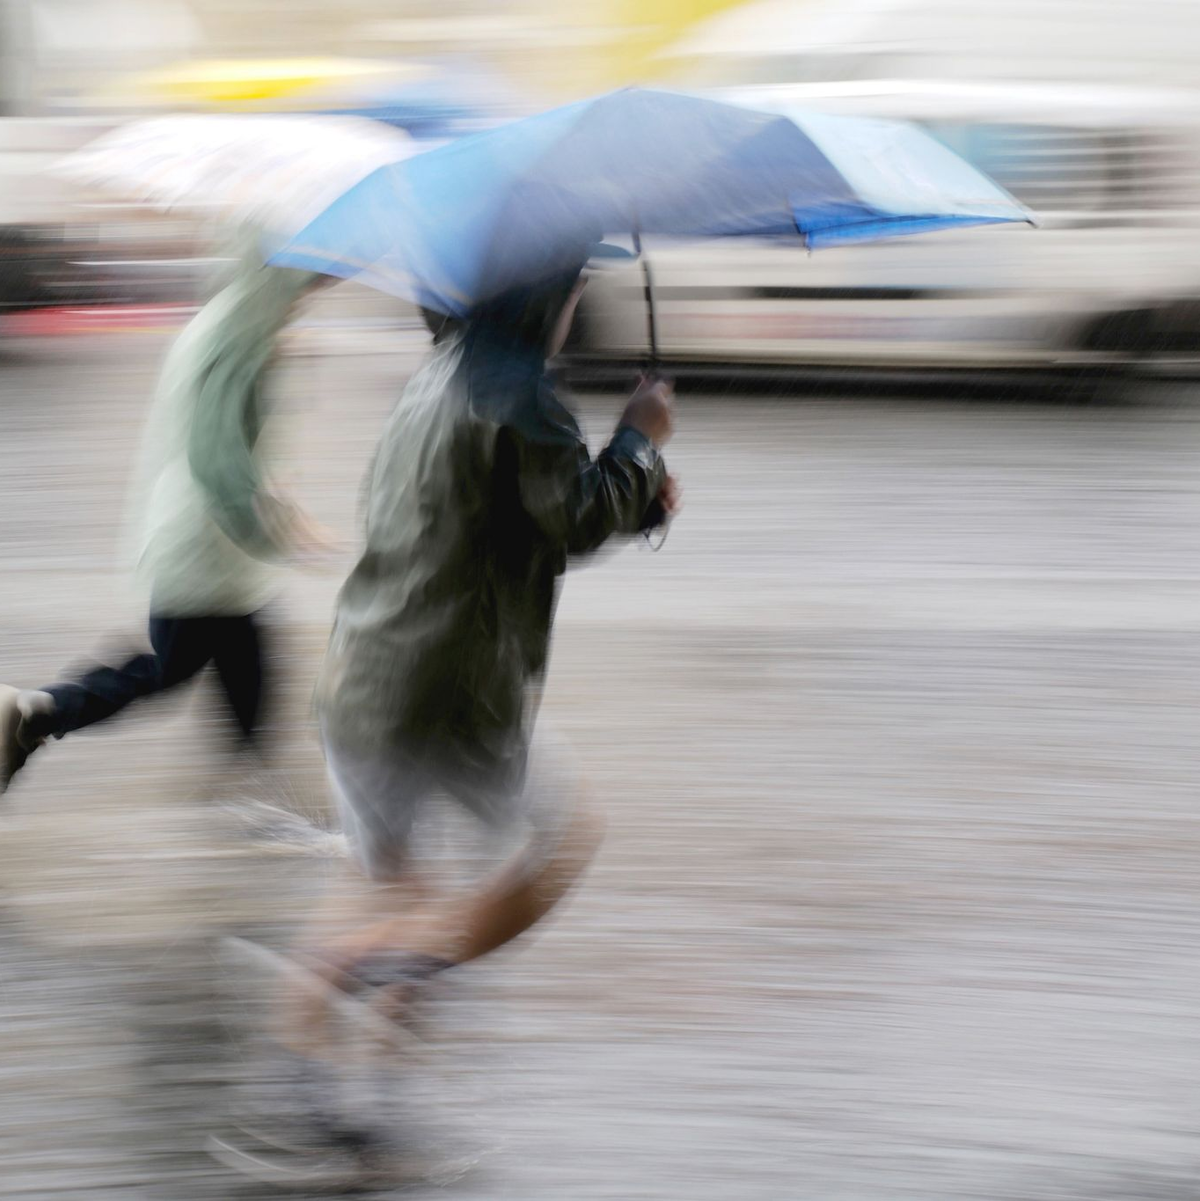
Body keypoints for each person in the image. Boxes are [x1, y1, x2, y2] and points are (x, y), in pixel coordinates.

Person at [217, 252, 678, 1185]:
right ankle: (392, 968)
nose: (577, 299)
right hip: (449, 692)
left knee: (387, 890)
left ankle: (328, 1108)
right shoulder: (517, 392)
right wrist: (640, 439)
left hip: (365, 684)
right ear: (537, 287)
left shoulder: (438, 373)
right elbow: (571, 519)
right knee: (560, 841)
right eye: (574, 282)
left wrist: (636, 488)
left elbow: (514, 514)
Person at [0, 239, 330, 793]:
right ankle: (35, 713)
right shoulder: (241, 335)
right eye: (312, 278)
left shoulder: (236, 319)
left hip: (215, 551)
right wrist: (280, 529)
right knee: (168, 669)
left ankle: (252, 803)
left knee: (244, 669)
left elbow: (236, 443)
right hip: (206, 545)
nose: (318, 289)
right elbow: (218, 456)